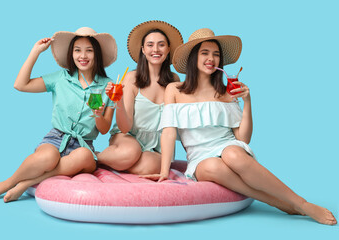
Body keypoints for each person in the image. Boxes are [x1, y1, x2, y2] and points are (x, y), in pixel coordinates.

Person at [143, 28, 337, 225]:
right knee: (213, 166)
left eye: (216, 54)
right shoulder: (174, 90)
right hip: (199, 157)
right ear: (194, 57)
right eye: (205, 53)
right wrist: (164, 171)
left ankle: (301, 203)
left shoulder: (227, 92)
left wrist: (248, 102)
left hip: (228, 146)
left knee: (233, 155)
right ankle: (277, 202)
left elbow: (242, 139)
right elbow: (168, 132)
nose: (211, 59)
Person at [0, 27, 117, 202]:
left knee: (85, 156)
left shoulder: (108, 86)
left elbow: (105, 129)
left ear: (96, 54)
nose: (82, 56)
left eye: (89, 50)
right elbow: (20, 85)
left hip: (83, 145)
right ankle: (10, 182)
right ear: (71, 54)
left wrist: (98, 114)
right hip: (56, 138)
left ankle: (28, 183)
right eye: (77, 50)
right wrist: (35, 52)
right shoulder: (60, 78)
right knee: (48, 157)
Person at [96, 20, 183, 175]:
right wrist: (119, 100)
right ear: (143, 49)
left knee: (152, 166)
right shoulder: (131, 78)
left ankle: (119, 163)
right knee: (131, 152)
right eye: (150, 45)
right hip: (127, 137)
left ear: (168, 49)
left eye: (161, 45)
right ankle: (95, 157)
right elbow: (125, 127)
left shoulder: (174, 80)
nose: (155, 49)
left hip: (157, 145)